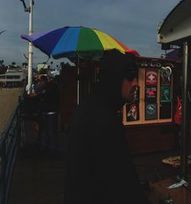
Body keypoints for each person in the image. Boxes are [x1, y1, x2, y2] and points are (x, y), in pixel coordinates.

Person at [63, 51, 147, 204]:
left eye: (136, 77)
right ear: (114, 78)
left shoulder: (90, 107)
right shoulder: (104, 121)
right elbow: (120, 183)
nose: (135, 83)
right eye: (129, 76)